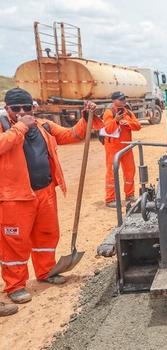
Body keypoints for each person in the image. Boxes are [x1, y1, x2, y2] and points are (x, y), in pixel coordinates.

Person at [0, 88, 102, 306]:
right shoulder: (5, 127)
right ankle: (15, 286)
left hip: (45, 191)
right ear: (7, 108)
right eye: (15, 108)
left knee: (46, 235)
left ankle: (46, 271)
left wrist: (86, 118)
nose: (21, 112)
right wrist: (20, 127)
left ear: (33, 107)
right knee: (14, 244)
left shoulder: (44, 126)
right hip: (14, 198)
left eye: (26, 108)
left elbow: (71, 135)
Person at [101, 91, 141, 208]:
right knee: (112, 174)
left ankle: (130, 195)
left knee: (130, 172)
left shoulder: (127, 112)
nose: (124, 101)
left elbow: (137, 126)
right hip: (113, 148)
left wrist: (127, 122)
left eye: (124, 98)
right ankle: (110, 199)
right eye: (121, 99)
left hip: (126, 147)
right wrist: (116, 121)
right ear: (114, 101)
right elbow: (108, 129)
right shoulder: (109, 112)